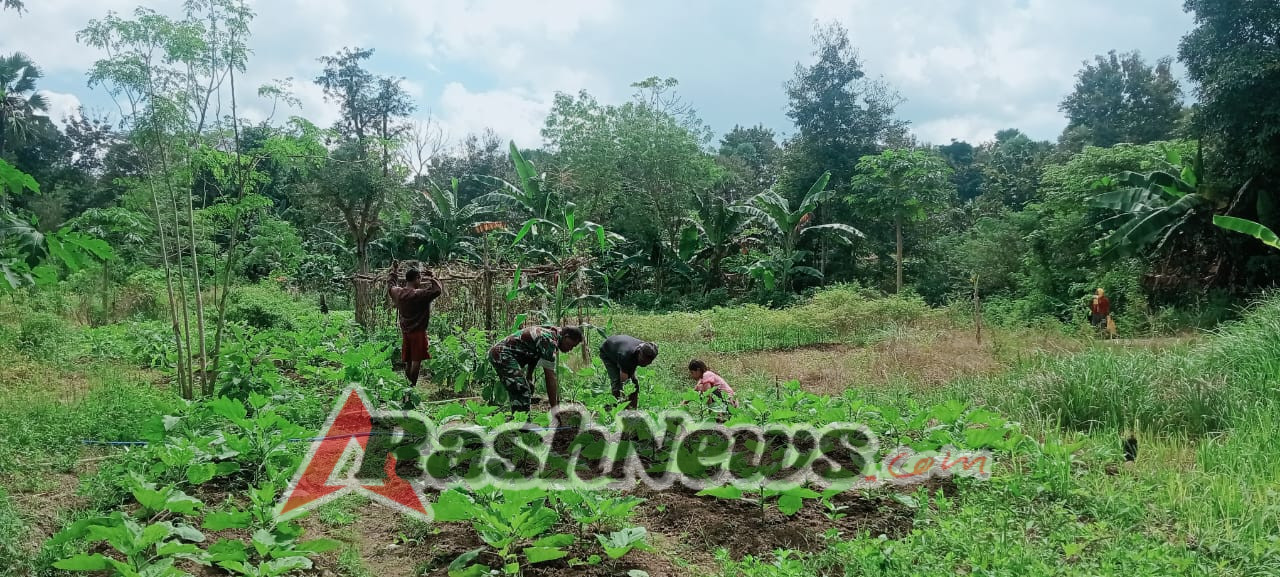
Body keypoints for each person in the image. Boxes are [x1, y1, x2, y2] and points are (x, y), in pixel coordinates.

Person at [488, 325, 584, 413]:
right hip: (502, 354)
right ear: (566, 337)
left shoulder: (552, 333)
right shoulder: (549, 340)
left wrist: (529, 376)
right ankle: (522, 425)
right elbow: (550, 377)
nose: (570, 349)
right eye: (571, 345)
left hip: (503, 354)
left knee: (521, 387)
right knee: (521, 388)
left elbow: (533, 353)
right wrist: (555, 410)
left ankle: (519, 420)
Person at [387, 261, 442, 395]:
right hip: (418, 332)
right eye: (420, 278)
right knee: (416, 361)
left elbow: (390, 285)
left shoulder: (398, 293)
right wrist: (433, 277)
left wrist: (394, 270)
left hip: (406, 331)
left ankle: (407, 386)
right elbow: (437, 290)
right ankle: (411, 389)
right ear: (417, 278)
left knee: (408, 361)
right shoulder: (419, 295)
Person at [599, 334, 658, 410]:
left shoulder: (646, 349)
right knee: (617, 383)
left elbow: (631, 378)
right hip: (608, 352)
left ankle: (633, 410)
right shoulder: (626, 355)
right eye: (643, 361)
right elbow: (624, 384)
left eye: (649, 362)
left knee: (634, 384)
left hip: (621, 348)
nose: (645, 364)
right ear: (639, 353)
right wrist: (624, 403)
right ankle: (616, 408)